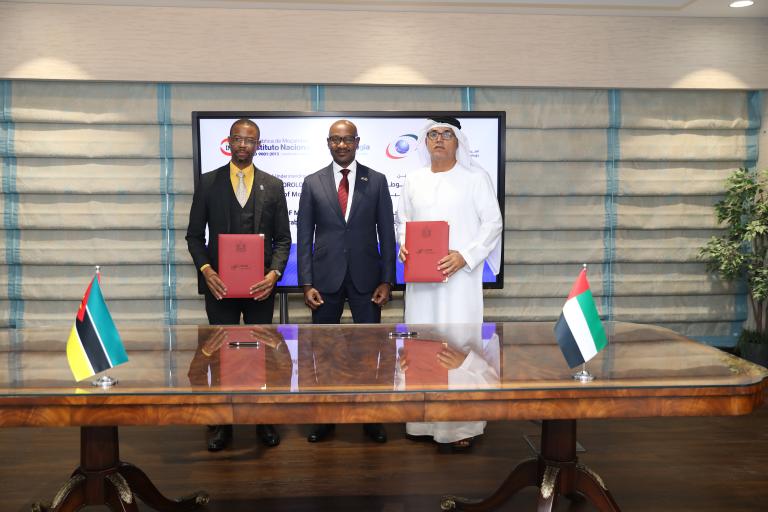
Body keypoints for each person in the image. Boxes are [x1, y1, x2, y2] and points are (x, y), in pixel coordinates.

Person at [396, 116, 503, 451]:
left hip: (460, 282)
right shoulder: (413, 179)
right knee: (422, 342)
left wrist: (466, 256)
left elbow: (492, 223)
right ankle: (424, 422)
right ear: (424, 142)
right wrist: (403, 243)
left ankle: (461, 426)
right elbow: (404, 221)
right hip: (422, 284)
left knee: (459, 345)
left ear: (458, 141)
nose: (439, 139)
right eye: (432, 134)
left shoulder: (476, 178)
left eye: (446, 134)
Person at [186, 118, 291, 451]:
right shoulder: (208, 183)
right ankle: (223, 424)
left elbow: (284, 239)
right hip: (220, 288)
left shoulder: (273, 186)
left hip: (260, 288)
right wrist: (206, 270)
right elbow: (193, 236)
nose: (243, 145)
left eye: (250, 140)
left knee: (260, 355)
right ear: (228, 142)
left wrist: (273, 274)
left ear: (257, 145)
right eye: (238, 139)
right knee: (221, 355)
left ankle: (262, 421)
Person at [297, 119, 396, 443]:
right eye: (335, 140)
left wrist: (387, 279)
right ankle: (325, 418)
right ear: (328, 143)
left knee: (371, 352)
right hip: (325, 280)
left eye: (347, 140)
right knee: (322, 352)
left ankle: (371, 418)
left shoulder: (377, 181)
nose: (341, 145)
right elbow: (304, 234)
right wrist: (306, 282)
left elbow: (387, 233)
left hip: (367, 279)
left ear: (357, 142)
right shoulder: (312, 183)